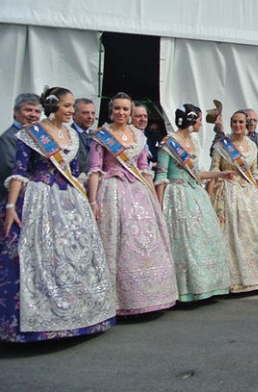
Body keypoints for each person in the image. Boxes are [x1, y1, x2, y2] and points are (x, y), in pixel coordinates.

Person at [1, 87, 115, 342]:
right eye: (67, 106)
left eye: (72, 106)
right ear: (53, 106)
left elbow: (75, 172)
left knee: (76, 255)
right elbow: (19, 171)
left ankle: (80, 315)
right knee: (40, 255)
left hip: (70, 200)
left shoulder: (71, 135)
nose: (71, 111)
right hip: (39, 199)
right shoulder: (30, 134)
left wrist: (89, 200)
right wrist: (10, 207)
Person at [87, 92, 178, 315]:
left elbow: (144, 169)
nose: (121, 112)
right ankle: (119, 299)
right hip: (112, 191)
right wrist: (92, 200)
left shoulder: (138, 136)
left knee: (144, 240)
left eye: (125, 109)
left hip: (138, 191)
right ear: (111, 111)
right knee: (118, 242)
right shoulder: (101, 135)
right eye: (117, 108)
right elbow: (95, 170)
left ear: (130, 112)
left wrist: (154, 199)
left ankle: (150, 295)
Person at [154, 103, 232, 303]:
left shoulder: (193, 143)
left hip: (195, 193)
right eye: (198, 120)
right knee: (183, 243)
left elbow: (197, 173)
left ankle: (204, 285)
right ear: (191, 120)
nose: (200, 123)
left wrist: (219, 173)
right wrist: (159, 206)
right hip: (176, 195)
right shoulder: (168, 143)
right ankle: (184, 289)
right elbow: (161, 175)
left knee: (201, 239)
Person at [208, 110, 258, 293]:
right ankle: (232, 280)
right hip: (227, 191)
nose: (238, 125)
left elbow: (255, 171)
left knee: (255, 234)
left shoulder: (252, 146)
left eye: (241, 122)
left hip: (249, 193)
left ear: (246, 124)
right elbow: (214, 169)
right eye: (234, 122)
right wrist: (209, 196)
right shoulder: (221, 145)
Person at [1, 93, 41, 202]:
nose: (33, 115)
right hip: (17, 197)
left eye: (37, 111)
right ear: (15, 111)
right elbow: (10, 168)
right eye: (28, 110)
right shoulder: (8, 138)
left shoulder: (39, 136)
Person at [211, 107, 258, 172]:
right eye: (250, 120)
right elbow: (213, 153)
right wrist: (220, 132)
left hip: (252, 179)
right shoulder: (226, 141)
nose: (252, 123)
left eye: (254, 120)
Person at [73, 97, 96, 177]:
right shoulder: (67, 134)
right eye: (85, 113)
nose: (90, 116)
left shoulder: (97, 136)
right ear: (74, 115)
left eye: (93, 113)